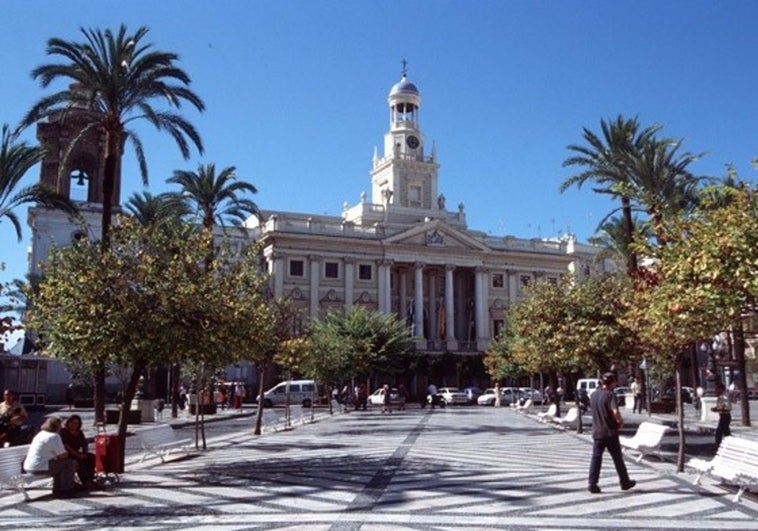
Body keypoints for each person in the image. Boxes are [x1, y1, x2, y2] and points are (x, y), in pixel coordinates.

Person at [587, 372, 636, 494]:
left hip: (597, 431)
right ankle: (624, 482)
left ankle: (592, 483)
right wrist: (620, 421)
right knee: (617, 458)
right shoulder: (610, 395)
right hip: (609, 432)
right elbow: (615, 411)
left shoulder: (593, 395)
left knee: (596, 458)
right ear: (612, 383)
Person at [23, 416, 79, 498]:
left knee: (60, 465)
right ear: (57, 426)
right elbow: (63, 455)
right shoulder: (54, 436)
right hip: (40, 467)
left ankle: (60, 489)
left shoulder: (41, 434)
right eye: (60, 425)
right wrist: (66, 452)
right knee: (70, 463)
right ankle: (65, 490)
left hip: (29, 466)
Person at [59, 414, 97, 490]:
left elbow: (84, 444)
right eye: (72, 422)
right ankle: (85, 482)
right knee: (78, 460)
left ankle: (90, 479)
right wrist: (78, 455)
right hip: (67, 454)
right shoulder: (63, 432)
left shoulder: (79, 432)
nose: (74, 425)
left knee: (91, 457)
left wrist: (85, 453)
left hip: (77, 452)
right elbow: (66, 446)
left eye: (76, 423)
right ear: (68, 422)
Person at [712, 381, 732, 447]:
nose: (715, 391)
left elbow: (728, 408)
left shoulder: (724, 397)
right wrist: (716, 408)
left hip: (725, 416)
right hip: (722, 416)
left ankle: (718, 445)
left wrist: (718, 409)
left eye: (717, 389)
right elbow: (721, 406)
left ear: (721, 389)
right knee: (726, 432)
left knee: (719, 432)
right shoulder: (720, 397)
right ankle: (729, 444)